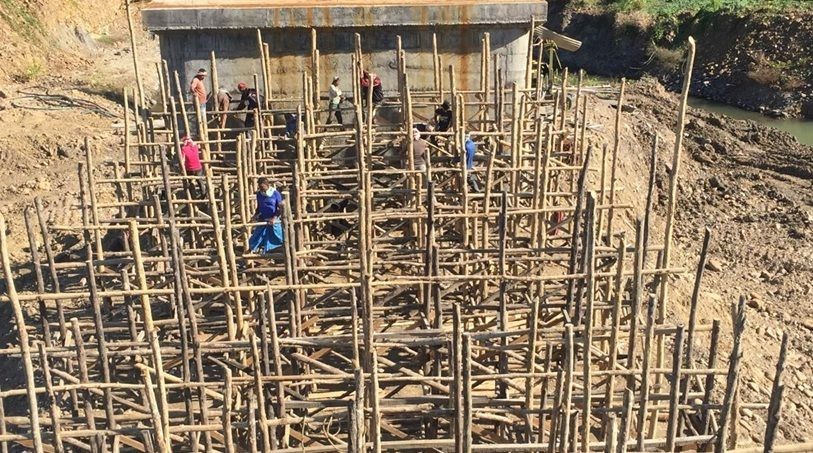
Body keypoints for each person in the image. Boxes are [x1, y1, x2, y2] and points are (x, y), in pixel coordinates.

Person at [248, 177, 285, 254]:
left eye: (262, 186)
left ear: (267, 185)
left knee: (277, 235)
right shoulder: (259, 194)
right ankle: (255, 249)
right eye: (259, 186)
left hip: (274, 218)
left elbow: (280, 208)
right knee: (257, 236)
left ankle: (278, 248)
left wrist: (274, 218)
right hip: (263, 218)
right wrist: (255, 215)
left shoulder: (275, 194)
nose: (261, 188)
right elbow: (259, 207)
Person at [189, 69, 209, 136]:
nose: (203, 77)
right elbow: (192, 87)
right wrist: (194, 93)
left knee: (202, 118)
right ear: (199, 75)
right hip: (199, 102)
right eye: (202, 76)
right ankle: (199, 133)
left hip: (202, 102)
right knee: (200, 117)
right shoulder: (196, 80)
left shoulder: (199, 80)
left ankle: (202, 132)